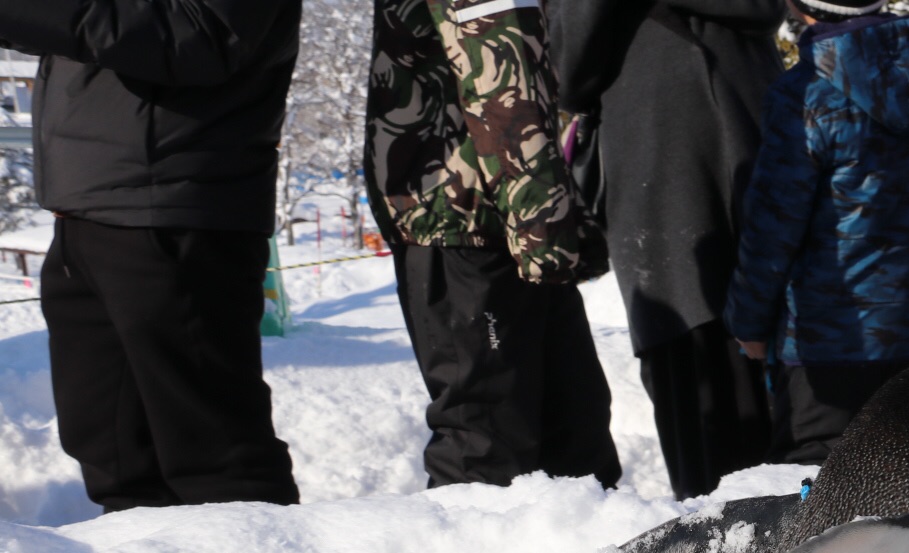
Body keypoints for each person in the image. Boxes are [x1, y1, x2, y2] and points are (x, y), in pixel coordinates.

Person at [0, 0, 303, 512]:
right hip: (87, 205)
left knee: (216, 454)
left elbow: (198, 38)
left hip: (174, 207)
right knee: (113, 454)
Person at [366, 0, 619, 490]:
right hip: (469, 218)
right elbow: (505, 76)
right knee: (486, 443)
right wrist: (545, 222)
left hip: (499, 211)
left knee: (573, 436)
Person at [550, 0, 786, 500]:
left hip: (663, 174)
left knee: (715, 437)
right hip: (739, 147)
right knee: (777, 413)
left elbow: (569, 69)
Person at [725, 0, 909, 463]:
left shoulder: (805, 92)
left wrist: (749, 321)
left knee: (812, 487)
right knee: (896, 476)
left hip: (827, 334)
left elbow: (772, 225)